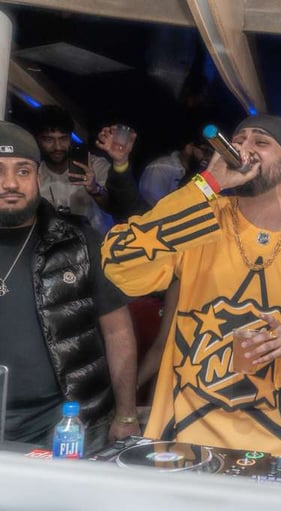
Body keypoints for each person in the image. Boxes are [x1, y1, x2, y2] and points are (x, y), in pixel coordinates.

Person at [101, 114, 281, 459]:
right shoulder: (200, 217)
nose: (245, 148)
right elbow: (119, 263)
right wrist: (207, 184)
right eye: (239, 140)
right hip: (184, 443)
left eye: (261, 142)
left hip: (278, 451)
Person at [0, 121, 139, 452]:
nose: (10, 183)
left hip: (63, 422)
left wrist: (126, 414)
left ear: (38, 178)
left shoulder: (79, 243)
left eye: (22, 171)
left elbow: (118, 332)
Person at [31, 105, 113, 233]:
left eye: (63, 138)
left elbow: (117, 207)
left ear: (70, 137)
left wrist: (95, 189)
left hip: (99, 241)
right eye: (49, 140)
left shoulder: (96, 165)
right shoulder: (34, 174)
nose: (57, 147)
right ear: (37, 139)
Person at [139, 136, 211, 207]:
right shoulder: (160, 168)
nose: (207, 157)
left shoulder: (197, 171)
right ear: (189, 148)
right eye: (205, 151)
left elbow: (209, 196)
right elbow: (158, 206)